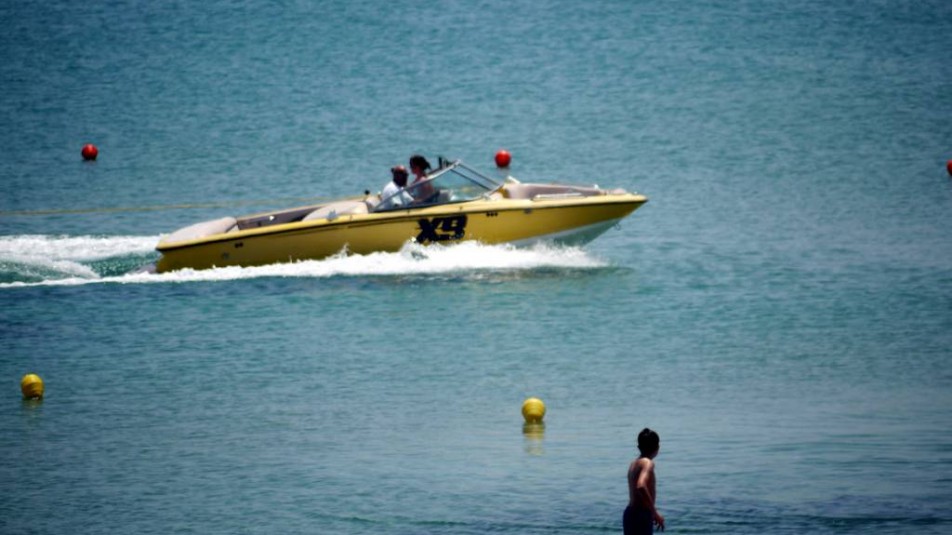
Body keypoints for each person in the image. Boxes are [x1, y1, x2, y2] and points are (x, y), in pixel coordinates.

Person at [625, 428, 665, 534]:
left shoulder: (634, 464)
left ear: (639, 447)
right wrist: (655, 513)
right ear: (657, 447)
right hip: (641, 514)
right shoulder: (647, 463)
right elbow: (641, 486)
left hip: (630, 513)